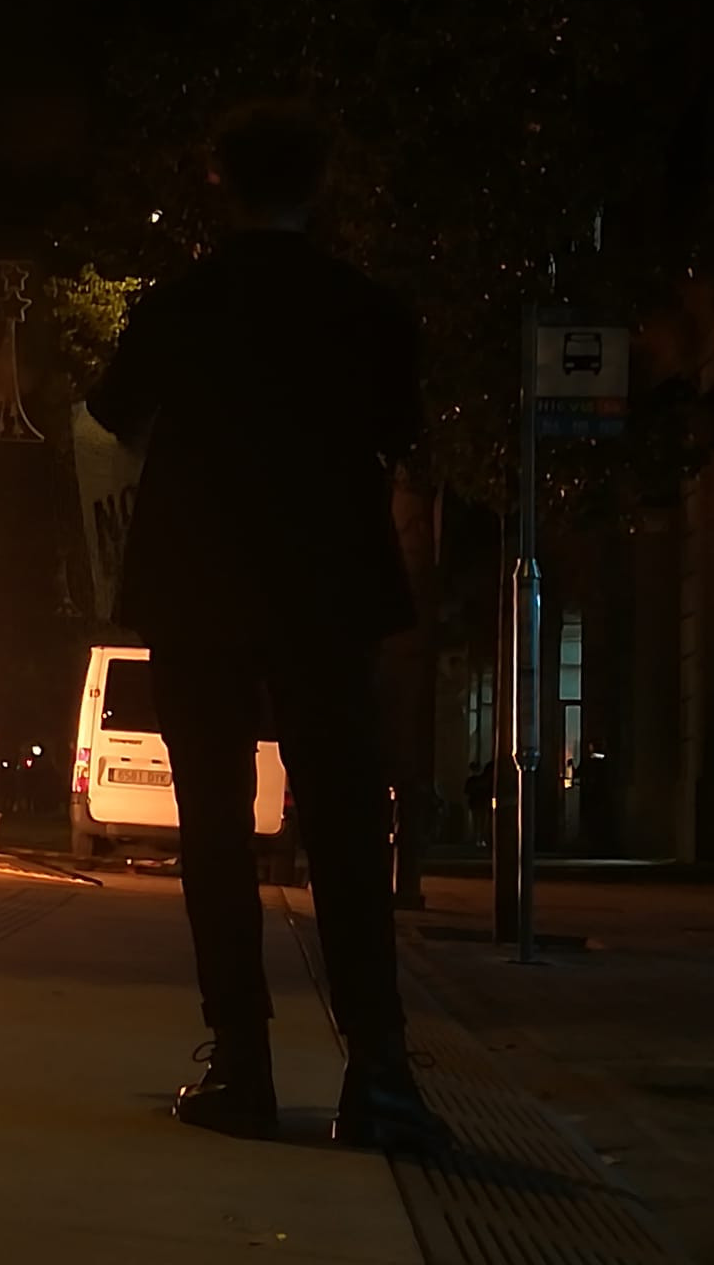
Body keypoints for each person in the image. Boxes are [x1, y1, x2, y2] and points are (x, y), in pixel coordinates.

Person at [89, 100, 449, 1152]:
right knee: (341, 824)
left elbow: (112, 414)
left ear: (220, 184)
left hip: (198, 588)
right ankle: (376, 1071)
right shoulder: (369, 310)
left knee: (212, 825)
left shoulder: (182, 303)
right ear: (318, 189)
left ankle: (240, 1063)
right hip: (326, 591)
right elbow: (397, 430)